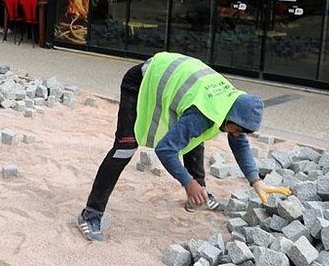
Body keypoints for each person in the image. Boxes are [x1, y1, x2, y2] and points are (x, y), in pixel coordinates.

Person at [78, 52, 291, 242]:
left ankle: (198, 199)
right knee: (125, 147)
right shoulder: (204, 113)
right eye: (237, 129)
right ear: (233, 118)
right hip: (140, 83)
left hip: (171, 85)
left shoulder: (233, 106)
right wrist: (188, 182)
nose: (237, 134)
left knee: (194, 137)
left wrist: (256, 181)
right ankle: (90, 214)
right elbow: (165, 150)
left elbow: (239, 141)